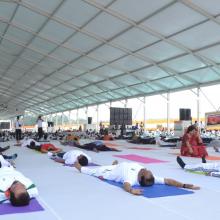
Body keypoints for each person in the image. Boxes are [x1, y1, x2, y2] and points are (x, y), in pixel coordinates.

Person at [74, 161, 200, 195]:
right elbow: (168, 180)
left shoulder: (132, 178)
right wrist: (183, 185)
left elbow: (126, 185)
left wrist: (131, 190)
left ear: (141, 177)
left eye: (146, 172)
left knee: (94, 171)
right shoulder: (150, 177)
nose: (147, 170)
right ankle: (115, 165)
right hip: (119, 166)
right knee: (114, 166)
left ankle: (79, 167)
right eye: (148, 171)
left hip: (109, 172)